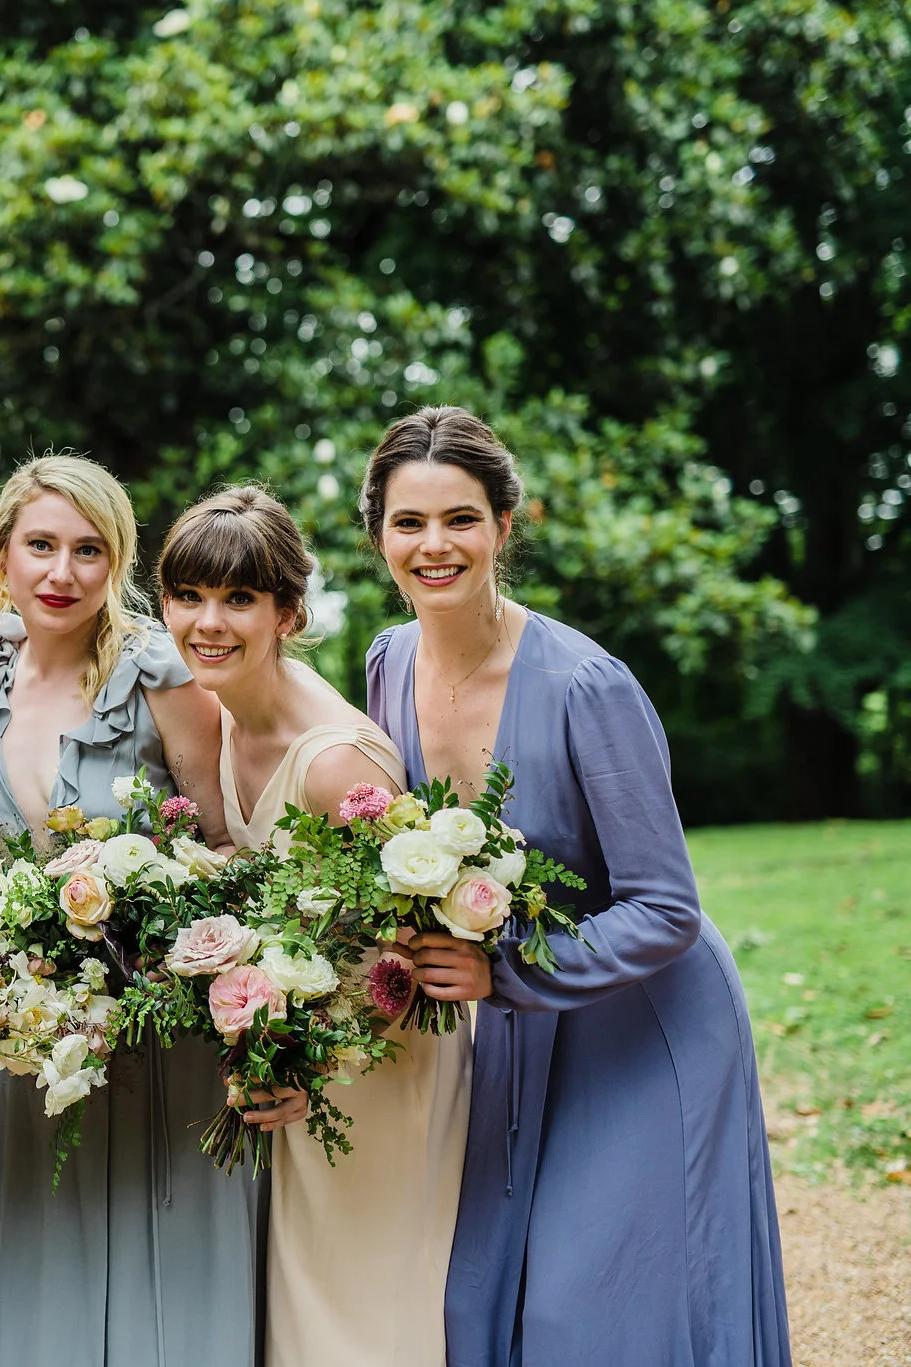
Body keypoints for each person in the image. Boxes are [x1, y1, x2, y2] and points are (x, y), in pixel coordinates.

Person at [359, 406, 790, 1367]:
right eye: (408, 522)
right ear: (379, 535)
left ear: (504, 526)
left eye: (461, 519)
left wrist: (506, 968)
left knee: (591, 1311)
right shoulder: (388, 662)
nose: (434, 545)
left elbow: (667, 905)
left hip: (643, 1020)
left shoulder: (588, 686)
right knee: (480, 1291)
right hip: (513, 1029)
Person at [157, 485, 470, 1367]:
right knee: (299, 1310)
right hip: (301, 1059)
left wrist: (315, 1068)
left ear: (289, 613)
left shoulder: (335, 765)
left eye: (239, 598)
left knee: (357, 1313)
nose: (208, 622)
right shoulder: (220, 709)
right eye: (188, 595)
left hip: (378, 1068)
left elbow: (413, 955)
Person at [0, 455, 265, 1367]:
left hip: (161, 1033)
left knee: (174, 1282)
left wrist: (152, 924)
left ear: (117, 561)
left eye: (88, 550)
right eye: (40, 546)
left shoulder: (159, 675)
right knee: (50, 1278)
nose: (62, 573)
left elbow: (226, 846)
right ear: (2, 555)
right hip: (39, 1045)